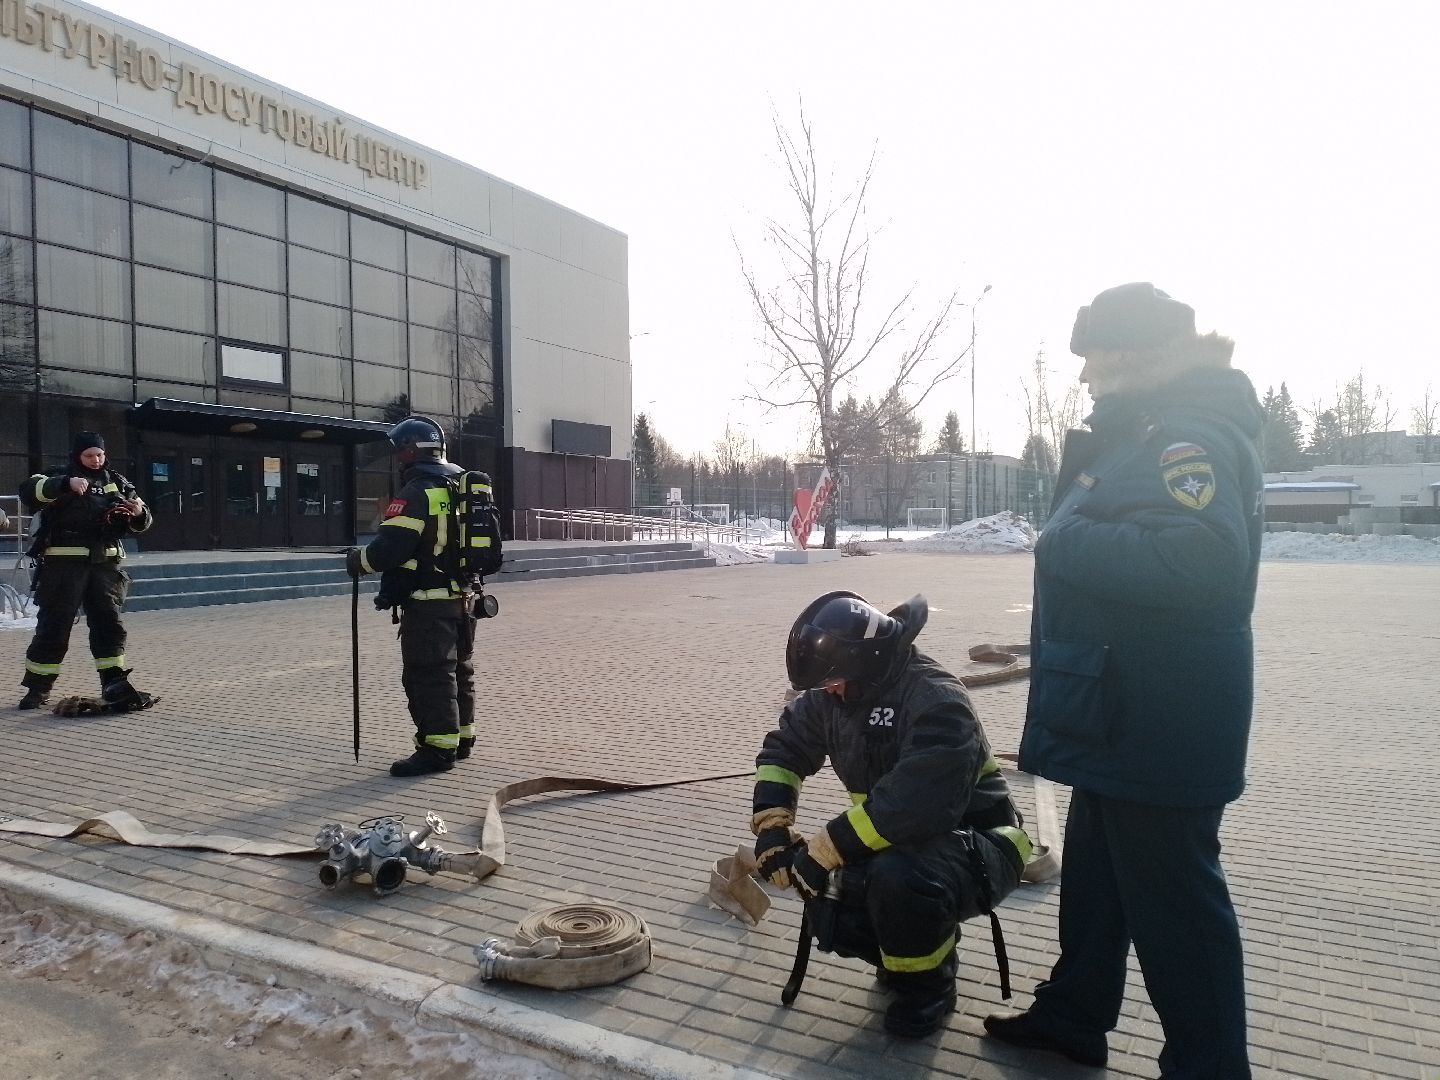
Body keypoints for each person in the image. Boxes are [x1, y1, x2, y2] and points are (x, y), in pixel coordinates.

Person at [983, 283, 1263, 1077]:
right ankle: (1074, 1016)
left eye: (1099, 359)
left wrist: (1062, 542)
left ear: (1140, 357)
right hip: (1123, 707)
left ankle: (1210, 1066)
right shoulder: (1147, 428)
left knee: (1176, 904)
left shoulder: (1185, 437)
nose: (1087, 376)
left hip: (1162, 716)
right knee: (1099, 882)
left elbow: (1203, 560)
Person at [751, 590, 1033, 1039]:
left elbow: (916, 805)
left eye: (835, 681)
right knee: (838, 896)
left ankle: (928, 990)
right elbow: (784, 749)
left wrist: (825, 849)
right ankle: (900, 953)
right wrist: (772, 828)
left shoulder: (936, 700)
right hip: (896, 840)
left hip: (979, 844)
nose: (830, 692)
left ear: (865, 660)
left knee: (899, 878)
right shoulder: (837, 693)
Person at [344, 416, 482, 778]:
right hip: (464, 600)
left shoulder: (417, 491)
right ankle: (460, 740)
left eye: (397, 451)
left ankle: (436, 751)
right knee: (459, 672)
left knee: (429, 676)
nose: (395, 459)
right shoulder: (458, 485)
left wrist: (358, 560)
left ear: (409, 451)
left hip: (429, 604)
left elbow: (390, 549)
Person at [16, 431, 156, 712]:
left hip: (105, 566)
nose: (96, 460)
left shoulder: (117, 482)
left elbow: (144, 519)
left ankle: (114, 683)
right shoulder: (59, 475)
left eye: (100, 455)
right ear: (77, 456)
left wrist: (139, 514)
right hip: (63, 566)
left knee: (109, 625)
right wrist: (64, 484)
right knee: (54, 626)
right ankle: (38, 688)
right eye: (89, 455)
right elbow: (29, 491)